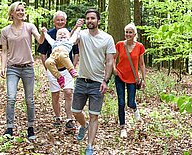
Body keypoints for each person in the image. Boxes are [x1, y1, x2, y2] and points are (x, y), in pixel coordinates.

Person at [72, 9, 116, 155]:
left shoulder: (107, 38)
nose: (90, 21)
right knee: (76, 111)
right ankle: (83, 126)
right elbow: (69, 41)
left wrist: (106, 81)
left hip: (97, 83)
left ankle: (89, 146)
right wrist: (76, 27)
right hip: (81, 80)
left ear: (98, 21)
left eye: (93, 18)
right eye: (88, 18)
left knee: (94, 115)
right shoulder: (82, 34)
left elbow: (109, 61)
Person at [0, 1, 45, 140]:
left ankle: (31, 128)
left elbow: (40, 41)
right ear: (12, 13)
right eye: (18, 10)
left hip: (28, 68)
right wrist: (3, 67)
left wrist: (43, 33)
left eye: (22, 10)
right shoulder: (5, 31)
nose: (21, 12)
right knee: (11, 97)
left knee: (30, 100)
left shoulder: (30, 27)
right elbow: (4, 51)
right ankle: (9, 128)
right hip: (13, 68)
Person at [38, 11, 79, 131]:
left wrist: (73, 66)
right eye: (58, 20)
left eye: (62, 20)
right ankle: (57, 117)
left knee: (68, 92)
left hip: (67, 69)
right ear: (54, 21)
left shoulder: (69, 35)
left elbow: (76, 52)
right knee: (55, 94)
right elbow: (43, 53)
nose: (60, 22)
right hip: (53, 69)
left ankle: (69, 119)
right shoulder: (51, 35)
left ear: (65, 21)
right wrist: (48, 69)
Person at [113, 23, 146, 138]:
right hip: (120, 76)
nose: (128, 34)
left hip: (133, 77)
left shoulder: (140, 46)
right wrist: (114, 69)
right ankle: (123, 127)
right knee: (121, 103)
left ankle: (135, 109)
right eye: (126, 32)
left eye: (130, 32)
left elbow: (141, 63)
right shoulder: (119, 45)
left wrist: (144, 79)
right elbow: (113, 58)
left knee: (130, 103)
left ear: (134, 34)